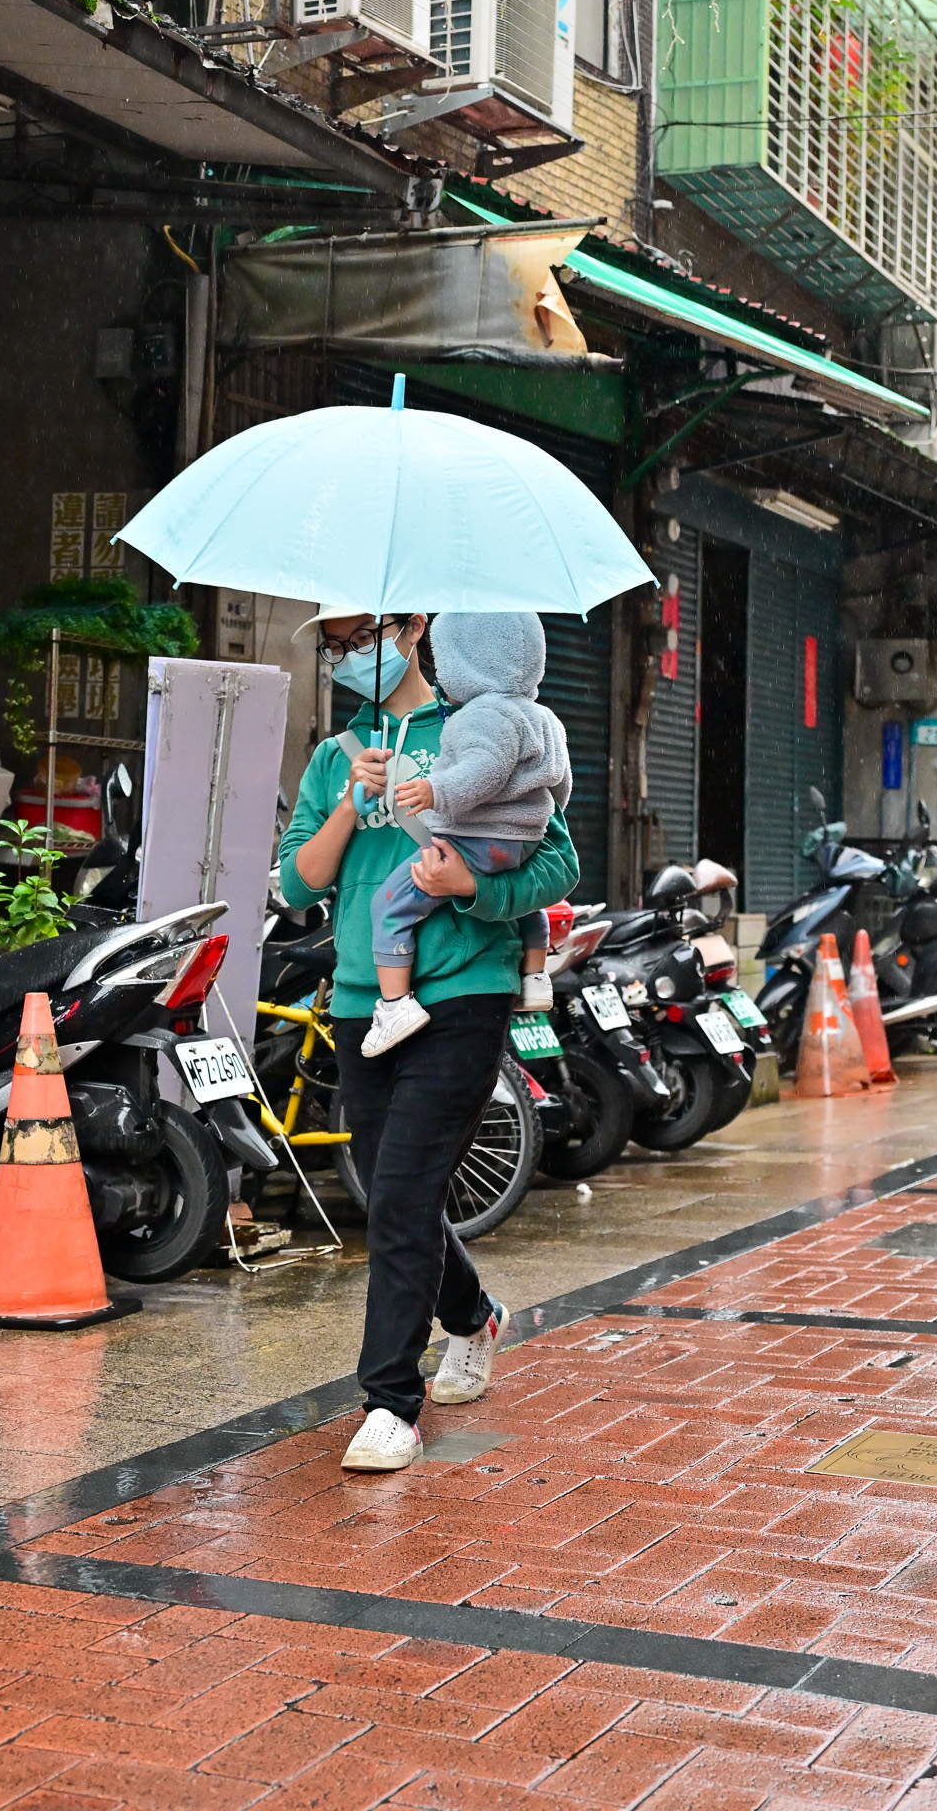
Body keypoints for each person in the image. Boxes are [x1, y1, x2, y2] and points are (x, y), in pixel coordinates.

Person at [278, 609, 577, 1473]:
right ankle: (474, 1316)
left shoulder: (484, 725)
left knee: (404, 1194)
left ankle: (388, 1403)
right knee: (390, 1194)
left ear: (412, 629)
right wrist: (349, 802)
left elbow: (556, 863)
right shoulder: (337, 754)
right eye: (333, 645)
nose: (347, 655)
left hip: (464, 992)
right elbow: (298, 881)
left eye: (358, 637)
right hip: (364, 1000)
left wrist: (468, 889)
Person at [363, 611, 571, 1059]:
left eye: (446, 659)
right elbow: (561, 785)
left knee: (389, 905)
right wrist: (533, 819)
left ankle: (395, 1006)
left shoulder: (482, 715)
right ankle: (536, 977)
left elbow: (484, 770)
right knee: (528, 905)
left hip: (475, 838)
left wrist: (436, 790)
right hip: (522, 840)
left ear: (467, 662)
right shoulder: (543, 717)